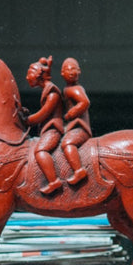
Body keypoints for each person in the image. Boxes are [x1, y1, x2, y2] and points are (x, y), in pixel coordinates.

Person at [22, 56, 69, 194]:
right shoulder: (47, 91)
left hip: (53, 129)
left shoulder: (52, 93)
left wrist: (27, 120)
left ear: (38, 76)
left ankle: (53, 181)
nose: (27, 77)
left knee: (41, 151)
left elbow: (43, 114)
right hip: (47, 129)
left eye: (29, 74)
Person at [58, 57, 91, 185]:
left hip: (80, 127)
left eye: (74, 69)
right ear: (62, 73)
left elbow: (85, 102)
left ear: (79, 71)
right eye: (68, 69)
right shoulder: (67, 89)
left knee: (67, 144)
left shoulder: (75, 89)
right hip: (73, 126)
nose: (71, 71)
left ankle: (78, 170)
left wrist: (71, 114)